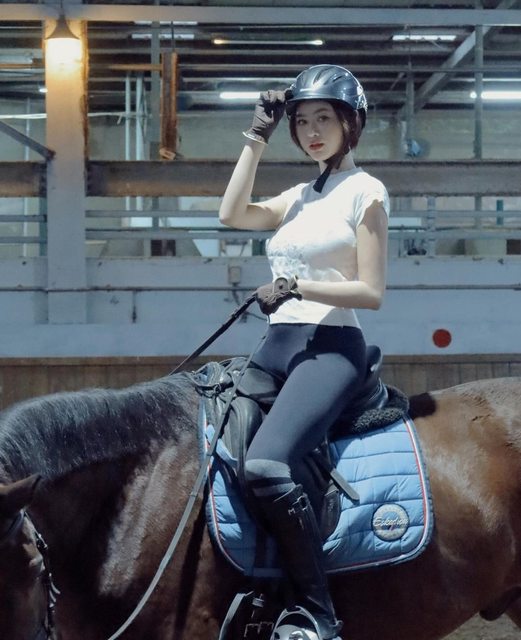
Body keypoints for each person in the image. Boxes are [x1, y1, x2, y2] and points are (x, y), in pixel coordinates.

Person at [219, 64, 389, 640]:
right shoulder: (298, 196)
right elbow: (231, 215)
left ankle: (318, 612)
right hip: (276, 346)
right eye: (301, 122)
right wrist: (256, 137)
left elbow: (371, 292)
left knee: (266, 465)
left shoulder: (365, 192)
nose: (312, 131)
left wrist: (297, 286)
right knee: (210, 441)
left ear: (350, 124)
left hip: (330, 347)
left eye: (323, 119)